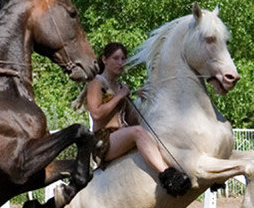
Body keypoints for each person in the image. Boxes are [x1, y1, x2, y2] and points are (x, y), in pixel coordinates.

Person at [76, 42, 190, 197]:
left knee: (146, 131)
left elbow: (130, 121)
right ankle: (167, 176)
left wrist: (138, 100)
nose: (121, 62)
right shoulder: (96, 83)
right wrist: (120, 97)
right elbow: (96, 113)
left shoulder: (120, 86)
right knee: (138, 132)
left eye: (123, 59)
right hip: (102, 140)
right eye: (116, 58)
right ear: (104, 59)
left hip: (120, 136)